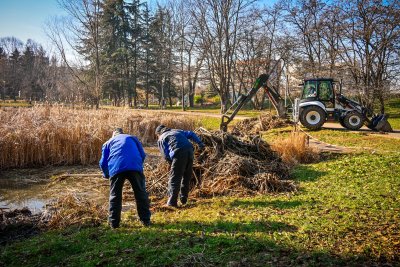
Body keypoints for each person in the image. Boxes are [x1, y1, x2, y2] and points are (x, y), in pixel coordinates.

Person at [99, 128, 151, 228]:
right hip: (134, 166)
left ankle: (114, 223)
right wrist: (138, 166)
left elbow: (103, 163)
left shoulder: (108, 143)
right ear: (122, 133)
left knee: (115, 195)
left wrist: (106, 174)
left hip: (116, 168)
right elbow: (143, 154)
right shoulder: (132, 138)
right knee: (140, 193)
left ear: (113, 135)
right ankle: (145, 221)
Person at [155, 125, 205, 207]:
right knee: (186, 176)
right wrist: (200, 143)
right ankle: (183, 199)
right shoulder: (177, 131)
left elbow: (165, 155)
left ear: (158, 133)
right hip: (189, 150)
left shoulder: (161, 138)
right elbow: (191, 134)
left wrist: (172, 164)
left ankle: (171, 203)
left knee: (175, 178)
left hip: (178, 152)